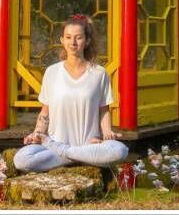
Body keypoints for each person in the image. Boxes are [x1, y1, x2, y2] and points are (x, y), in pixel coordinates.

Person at [13, 14, 129, 172]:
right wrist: (37, 133)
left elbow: (104, 110)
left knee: (120, 151)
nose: (73, 43)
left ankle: (66, 153)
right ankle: (76, 155)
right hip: (58, 144)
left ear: (87, 41)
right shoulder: (52, 72)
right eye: (68, 37)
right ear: (62, 40)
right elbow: (45, 112)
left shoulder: (99, 73)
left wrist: (107, 133)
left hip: (88, 146)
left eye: (78, 38)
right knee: (21, 159)